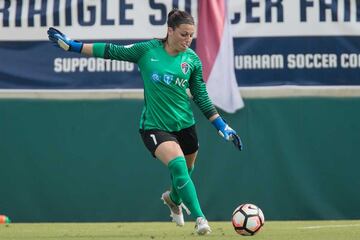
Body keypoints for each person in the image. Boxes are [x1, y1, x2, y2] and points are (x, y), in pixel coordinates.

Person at [47, 9, 242, 235]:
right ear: (170, 31)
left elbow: (201, 96)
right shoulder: (147, 50)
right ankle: (200, 218)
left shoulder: (192, 60)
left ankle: (173, 198)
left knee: (186, 172)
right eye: (183, 34)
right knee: (178, 165)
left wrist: (222, 126)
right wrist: (74, 46)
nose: (188, 40)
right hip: (154, 126)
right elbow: (112, 50)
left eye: (191, 35)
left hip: (186, 126)